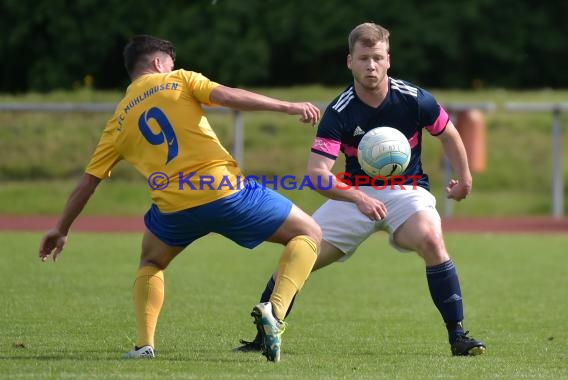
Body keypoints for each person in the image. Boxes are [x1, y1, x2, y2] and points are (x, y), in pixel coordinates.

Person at [38, 34, 323, 363]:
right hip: (224, 191)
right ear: (159, 63)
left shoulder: (116, 122)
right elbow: (228, 96)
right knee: (309, 233)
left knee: (151, 262)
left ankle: (144, 344)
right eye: (169, 63)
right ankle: (275, 311)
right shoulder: (179, 79)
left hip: (173, 209)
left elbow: (87, 183)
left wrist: (61, 228)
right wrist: (288, 106)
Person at [236, 22, 486, 356]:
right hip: (354, 195)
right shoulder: (339, 112)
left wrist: (465, 177)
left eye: (378, 58)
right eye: (364, 58)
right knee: (301, 250)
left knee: (431, 239)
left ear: (388, 60)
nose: (371, 65)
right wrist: (357, 197)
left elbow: (449, 133)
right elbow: (317, 174)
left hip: (406, 191)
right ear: (350, 61)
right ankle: (262, 336)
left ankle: (458, 337)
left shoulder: (414, 99)